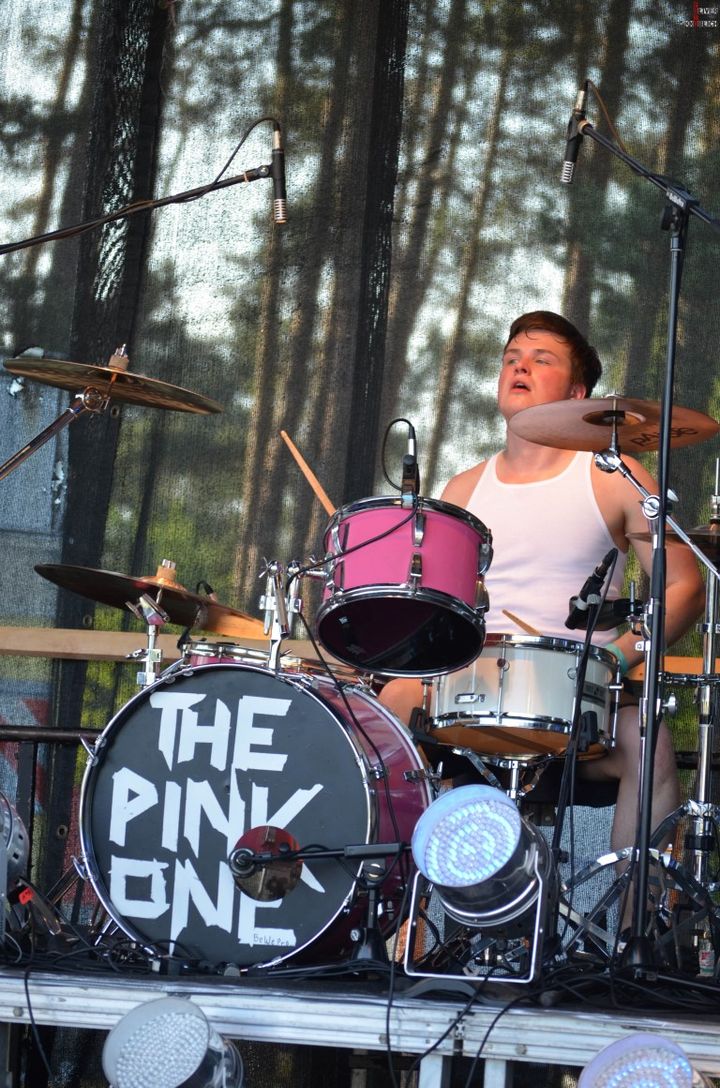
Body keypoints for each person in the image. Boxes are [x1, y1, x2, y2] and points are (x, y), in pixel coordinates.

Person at [381, 311, 705, 867]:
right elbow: (440, 603)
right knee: (389, 710)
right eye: (511, 359)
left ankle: (632, 915)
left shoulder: (613, 476)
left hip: (579, 695)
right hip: (473, 685)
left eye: (540, 360)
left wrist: (614, 656)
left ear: (577, 392)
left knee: (648, 742)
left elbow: (685, 586)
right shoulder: (463, 488)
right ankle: (397, 903)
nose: (519, 367)